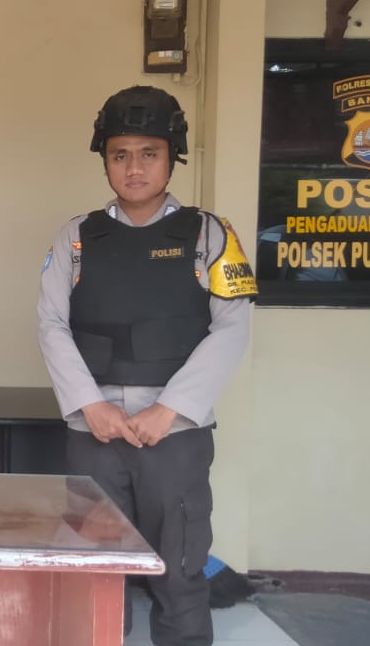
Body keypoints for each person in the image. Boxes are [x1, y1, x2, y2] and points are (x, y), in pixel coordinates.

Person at [37, 85, 256, 646]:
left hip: (174, 434)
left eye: (149, 153)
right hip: (95, 430)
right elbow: (52, 324)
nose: (134, 168)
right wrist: (91, 405)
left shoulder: (210, 234)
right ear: (105, 160)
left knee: (180, 571)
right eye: (120, 154)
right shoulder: (76, 237)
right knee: (95, 572)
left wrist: (171, 409)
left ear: (172, 156)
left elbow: (232, 327)